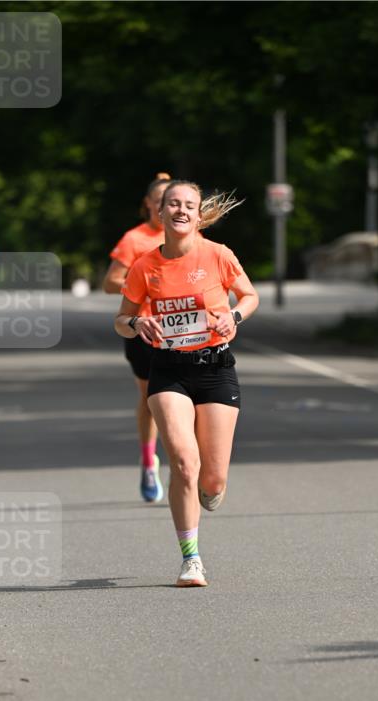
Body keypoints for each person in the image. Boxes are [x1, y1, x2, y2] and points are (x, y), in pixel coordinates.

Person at [114, 180, 259, 587]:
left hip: (215, 369)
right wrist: (138, 321)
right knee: (183, 462)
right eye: (172, 204)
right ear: (159, 213)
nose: (180, 210)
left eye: (188, 205)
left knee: (211, 481)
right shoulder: (145, 265)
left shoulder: (217, 255)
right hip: (168, 371)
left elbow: (249, 296)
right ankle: (191, 559)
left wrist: (234, 316)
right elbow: (120, 320)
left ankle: (211, 487)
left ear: (198, 215)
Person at [103, 173, 171, 502]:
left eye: (170, 201)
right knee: (150, 399)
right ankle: (148, 461)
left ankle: (194, 461)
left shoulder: (192, 236)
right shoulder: (135, 239)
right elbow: (110, 281)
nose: (165, 207)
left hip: (185, 330)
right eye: (159, 201)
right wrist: (143, 281)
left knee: (198, 395)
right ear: (148, 204)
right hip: (142, 327)